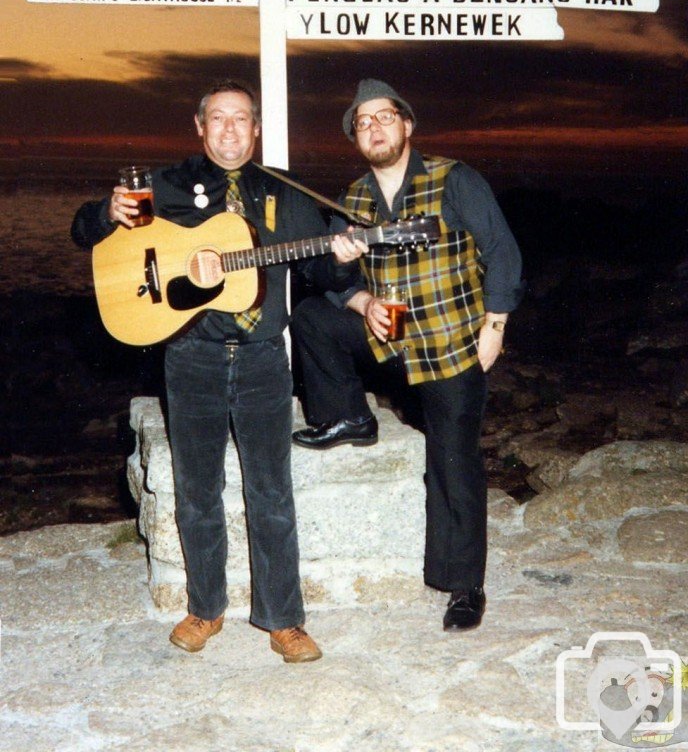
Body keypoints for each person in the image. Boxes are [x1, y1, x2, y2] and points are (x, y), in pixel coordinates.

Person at [71, 79, 359, 661]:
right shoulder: (167, 184)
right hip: (191, 356)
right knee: (198, 491)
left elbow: (323, 278)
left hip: (262, 360)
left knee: (272, 492)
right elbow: (85, 232)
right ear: (200, 128)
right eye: (219, 119)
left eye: (242, 119)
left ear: (256, 129)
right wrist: (106, 212)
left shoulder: (286, 191)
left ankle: (283, 618)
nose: (231, 129)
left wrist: (344, 257)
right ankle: (205, 609)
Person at [291, 78, 524, 632]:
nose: (374, 127)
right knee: (311, 318)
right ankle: (347, 416)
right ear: (356, 138)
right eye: (363, 122)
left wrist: (494, 327)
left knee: (453, 458)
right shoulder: (349, 200)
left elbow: (503, 253)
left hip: (451, 343)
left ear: (407, 125)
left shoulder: (454, 179)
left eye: (384, 117)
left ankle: (464, 584)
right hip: (388, 338)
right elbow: (327, 283)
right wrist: (358, 293)